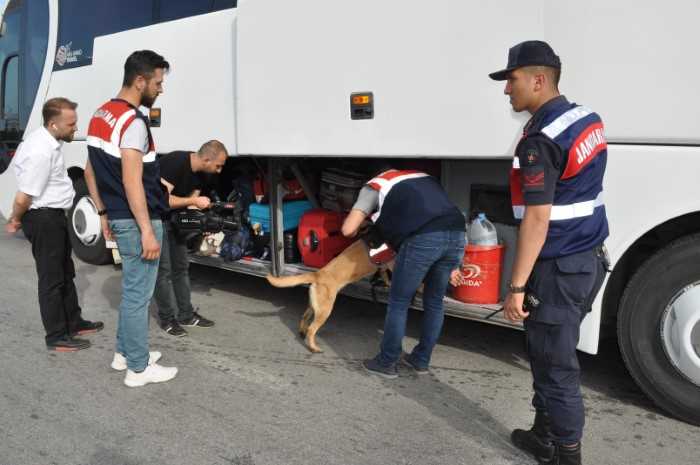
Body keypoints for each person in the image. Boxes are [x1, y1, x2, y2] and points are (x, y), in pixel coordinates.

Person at [488, 41, 609, 465]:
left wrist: (516, 288)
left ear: (539, 80)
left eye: (512, 80)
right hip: (586, 259)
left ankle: (567, 456)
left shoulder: (540, 140)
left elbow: (537, 221)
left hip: (558, 267)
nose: (507, 90)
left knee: (556, 366)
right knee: (545, 353)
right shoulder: (584, 119)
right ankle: (544, 435)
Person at [84, 50, 177, 387]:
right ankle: (137, 369)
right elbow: (131, 179)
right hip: (139, 219)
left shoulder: (101, 114)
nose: (160, 88)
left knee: (131, 291)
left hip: (119, 215)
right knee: (139, 295)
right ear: (140, 81)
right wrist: (146, 231)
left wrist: (103, 211)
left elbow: (89, 170)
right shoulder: (134, 121)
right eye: (157, 82)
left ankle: (124, 352)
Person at [342, 165, 466, 378]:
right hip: (457, 234)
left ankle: (387, 361)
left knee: (399, 302)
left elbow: (348, 229)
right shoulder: (423, 177)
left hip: (424, 239)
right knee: (434, 301)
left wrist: (365, 218)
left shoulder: (374, 186)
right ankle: (421, 360)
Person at [5, 97, 103, 351]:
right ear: (53, 124)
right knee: (51, 279)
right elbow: (23, 196)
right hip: (43, 218)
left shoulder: (49, 142)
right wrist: (15, 219)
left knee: (65, 272)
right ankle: (56, 337)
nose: (75, 128)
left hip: (54, 216)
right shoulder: (41, 150)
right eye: (71, 124)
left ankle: (74, 322)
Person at [155, 140, 228, 336]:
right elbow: (162, 199)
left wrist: (200, 224)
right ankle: (167, 319)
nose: (219, 170)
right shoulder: (175, 162)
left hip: (175, 219)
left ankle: (186, 315)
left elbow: (190, 206)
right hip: (155, 218)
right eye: (218, 165)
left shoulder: (204, 174)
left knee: (181, 267)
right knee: (163, 271)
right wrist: (194, 200)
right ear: (206, 159)